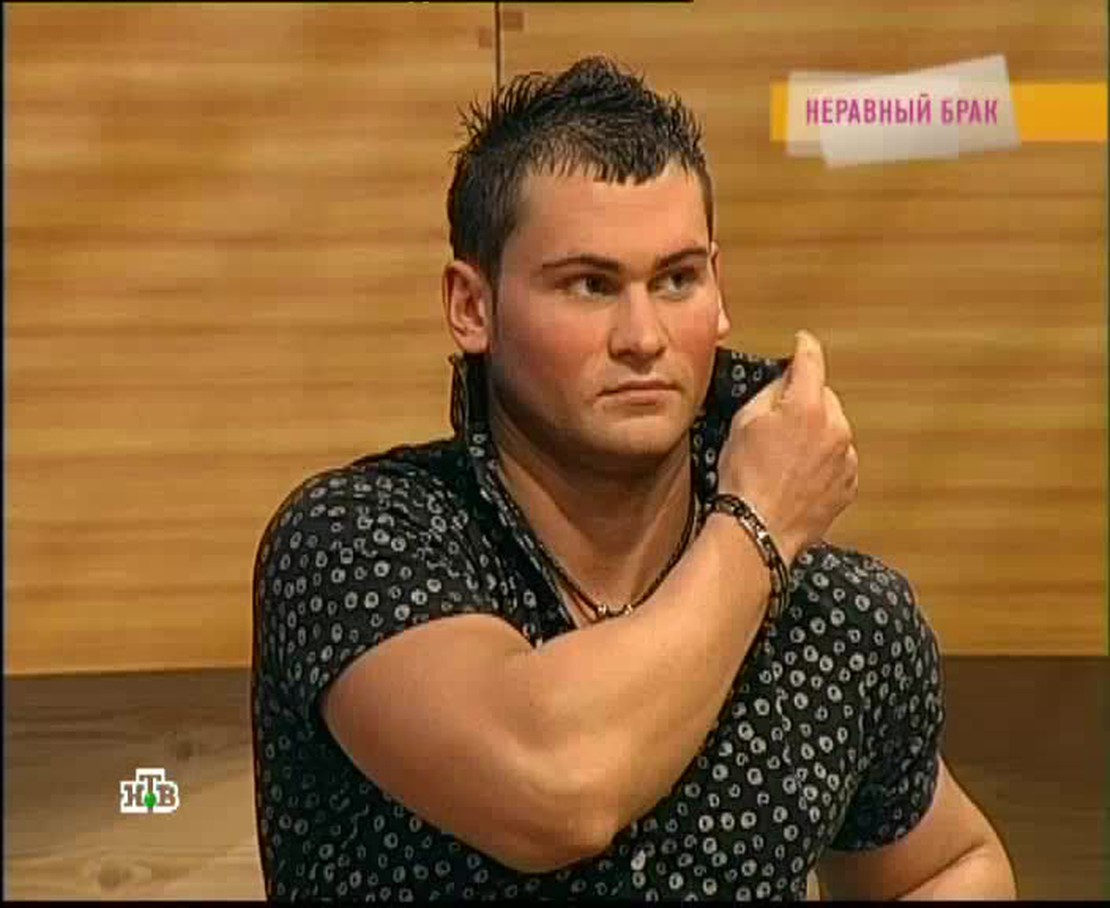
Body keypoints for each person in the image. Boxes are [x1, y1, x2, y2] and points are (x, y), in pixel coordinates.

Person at [251, 56, 1016, 901]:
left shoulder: (840, 618)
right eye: (591, 285)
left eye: (678, 279)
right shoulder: (357, 541)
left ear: (719, 292)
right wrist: (760, 523)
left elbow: (950, 865)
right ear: (473, 306)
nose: (643, 337)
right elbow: (553, 787)